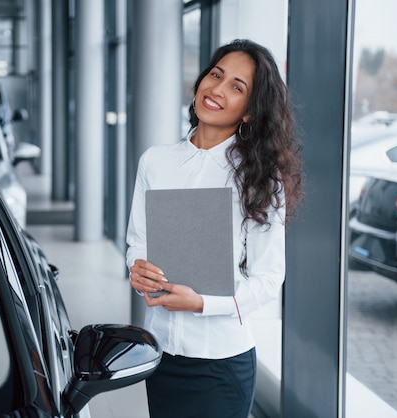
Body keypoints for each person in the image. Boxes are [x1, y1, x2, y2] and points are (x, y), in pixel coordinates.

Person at [126, 39, 304, 418]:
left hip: (221, 364)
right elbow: (136, 242)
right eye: (216, 75)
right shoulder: (155, 162)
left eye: (236, 87)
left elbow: (269, 279)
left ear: (250, 113)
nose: (217, 89)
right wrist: (136, 268)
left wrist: (203, 303)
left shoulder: (260, 179)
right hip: (159, 356)